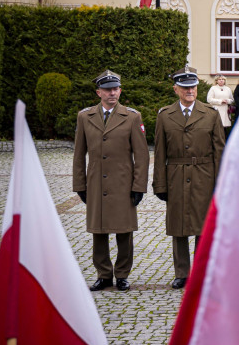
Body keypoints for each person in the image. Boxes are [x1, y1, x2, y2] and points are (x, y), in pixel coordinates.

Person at [73, 70, 149, 292]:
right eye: (107, 90)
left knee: (124, 231)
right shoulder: (85, 117)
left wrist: (139, 186)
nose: (112, 93)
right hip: (96, 182)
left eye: (115, 89)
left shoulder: (132, 117)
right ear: (99, 92)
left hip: (123, 183)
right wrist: (80, 185)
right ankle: (104, 274)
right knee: (99, 230)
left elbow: (142, 155)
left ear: (120, 90)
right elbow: (79, 154)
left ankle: (122, 274)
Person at [153, 66, 226, 289]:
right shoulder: (165, 116)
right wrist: (160, 184)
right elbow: (159, 154)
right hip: (176, 175)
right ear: (176, 89)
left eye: (193, 87)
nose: (190, 91)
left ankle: (202, 272)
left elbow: (220, 151)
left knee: (203, 228)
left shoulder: (210, 115)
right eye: (185, 88)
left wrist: (221, 184)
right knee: (179, 227)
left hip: (204, 176)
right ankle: (182, 273)